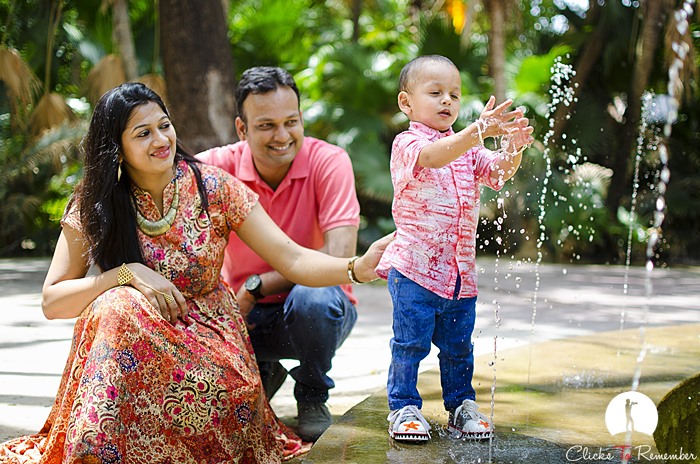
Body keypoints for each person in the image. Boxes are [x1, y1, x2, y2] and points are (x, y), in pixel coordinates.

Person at [0, 82, 391, 463]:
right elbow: (53, 302)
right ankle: (96, 451)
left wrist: (357, 267)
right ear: (117, 148)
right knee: (117, 306)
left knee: (128, 317)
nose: (161, 140)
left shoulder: (214, 187)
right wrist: (125, 274)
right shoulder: (95, 201)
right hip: (134, 351)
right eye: (143, 133)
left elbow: (292, 259)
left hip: (212, 344)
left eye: (164, 126)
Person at [196, 66, 361, 442]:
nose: (282, 136)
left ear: (302, 118)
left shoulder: (329, 161)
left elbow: (339, 257)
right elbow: (158, 174)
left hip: (317, 309)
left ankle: (313, 393)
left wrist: (257, 287)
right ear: (242, 129)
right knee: (220, 430)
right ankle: (263, 369)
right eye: (266, 125)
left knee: (314, 297)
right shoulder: (216, 167)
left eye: (291, 122)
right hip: (240, 316)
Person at [375, 55, 534, 442]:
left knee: (459, 349)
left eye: (455, 95)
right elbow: (432, 158)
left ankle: (461, 406)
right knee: (409, 344)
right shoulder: (408, 143)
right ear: (406, 102)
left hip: (459, 276)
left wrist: (512, 147)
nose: (447, 101)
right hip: (414, 271)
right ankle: (404, 408)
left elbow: (496, 172)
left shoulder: (465, 146)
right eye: (435, 93)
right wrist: (477, 132)